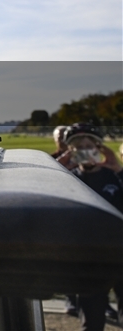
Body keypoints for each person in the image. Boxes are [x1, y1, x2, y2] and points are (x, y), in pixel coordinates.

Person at [56, 123, 123, 331]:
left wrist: (119, 169)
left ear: (98, 147)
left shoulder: (115, 177)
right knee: (92, 321)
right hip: (88, 258)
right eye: (78, 146)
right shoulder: (68, 179)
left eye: (89, 145)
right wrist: (58, 170)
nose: (84, 150)